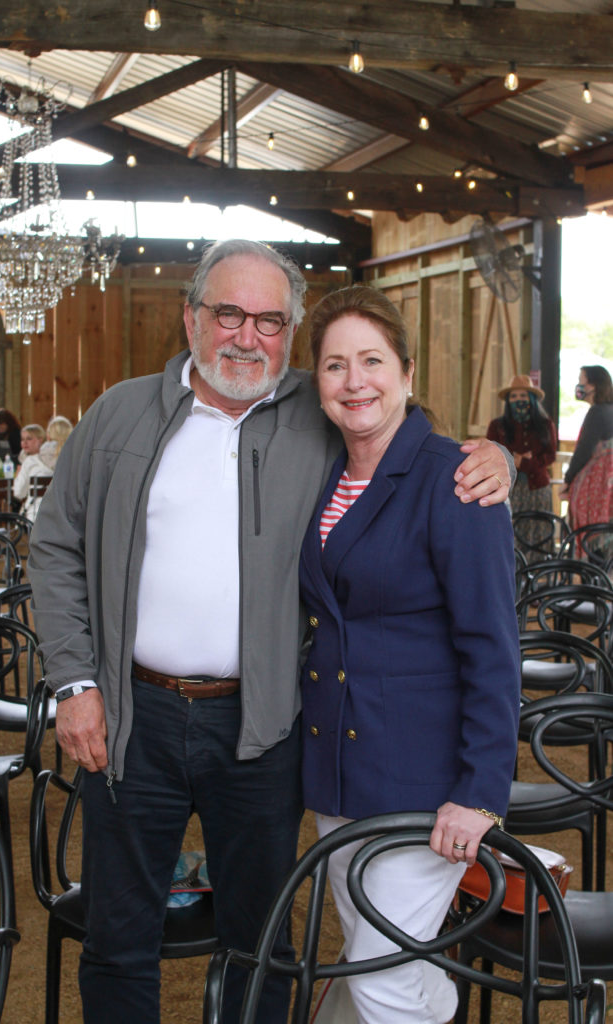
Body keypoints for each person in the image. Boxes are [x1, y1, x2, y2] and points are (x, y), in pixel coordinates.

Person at [27, 239, 514, 1024]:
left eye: (268, 320)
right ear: (190, 319)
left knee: (261, 938)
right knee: (118, 938)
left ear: (287, 335)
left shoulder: (312, 416)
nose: (245, 336)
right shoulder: (118, 413)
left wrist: (497, 459)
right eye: (228, 313)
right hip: (128, 717)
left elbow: (402, 438)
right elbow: (54, 547)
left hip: (263, 726)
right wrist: (75, 681)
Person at [300, 285, 520, 1024]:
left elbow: (492, 647)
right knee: (384, 957)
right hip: (336, 769)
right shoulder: (323, 473)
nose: (354, 381)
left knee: (379, 977)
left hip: (424, 784)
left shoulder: (455, 478)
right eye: (335, 366)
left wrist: (481, 790)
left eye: (371, 360)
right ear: (317, 383)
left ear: (407, 373)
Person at [487, 373, 557, 558]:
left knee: (539, 531)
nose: (519, 400)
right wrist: (513, 459)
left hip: (538, 488)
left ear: (532, 398)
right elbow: (491, 453)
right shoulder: (497, 425)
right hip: (509, 488)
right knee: (510, 532)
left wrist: (525, 462)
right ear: (508, 400)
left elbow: (550, 456)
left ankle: (539, 577)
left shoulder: (545, 424)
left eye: (524, 395)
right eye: (514, 396)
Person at [560, 365, 613, 536]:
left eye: (581, 381)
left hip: (595, 489)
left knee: (588, 535)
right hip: (607, 490)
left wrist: (568, 480)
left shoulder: (597, 412)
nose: (579, 387)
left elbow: (583, 451)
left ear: (593, 386)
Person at [13, 416, 73, 520]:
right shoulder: (75, 461)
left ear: (47, 437)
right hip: (68, 517)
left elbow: (18, 493)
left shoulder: (31, 461)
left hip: (37, 516)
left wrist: (17, 477)